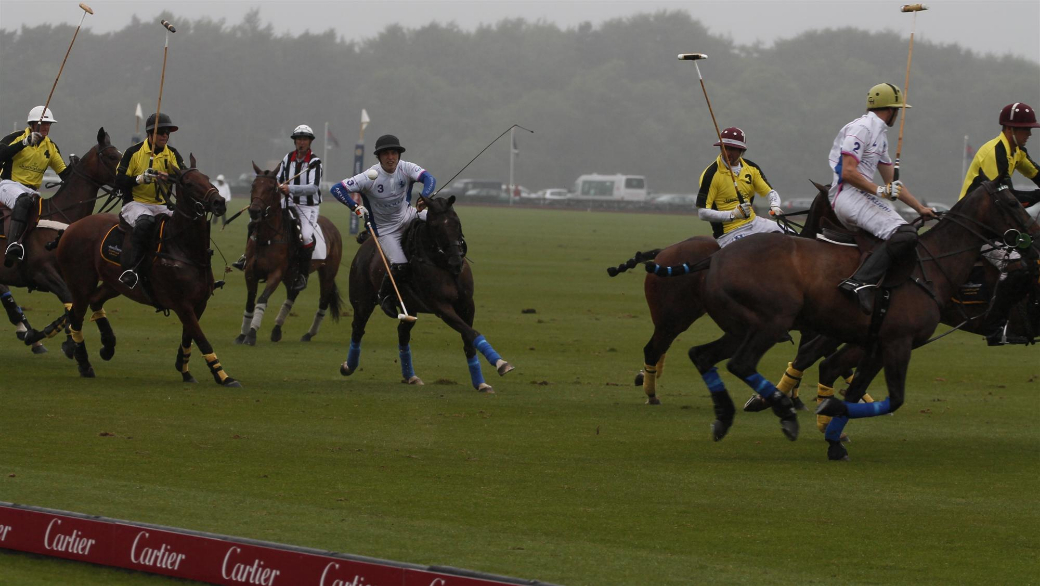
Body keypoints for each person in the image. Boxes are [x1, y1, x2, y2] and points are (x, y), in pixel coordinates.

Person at [829, 83, 936, 314]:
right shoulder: (862, 128)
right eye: (898, 110)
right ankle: (859, 283)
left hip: (862, 195)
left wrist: (919, 208)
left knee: (907, 231)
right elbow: (848, 172)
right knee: (904, 234)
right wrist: (879, 191)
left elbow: (892, 183)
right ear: (891, 110)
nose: (898, 114)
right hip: (847, 195)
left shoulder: (880, 135)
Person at [958, 102, 1040, 345]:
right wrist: (1036, 196)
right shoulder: (996, 152)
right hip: (973, 227)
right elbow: (1006, 200)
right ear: (1010, 128)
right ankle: (995, 329)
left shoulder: (1016, 150)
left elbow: (1037, 174)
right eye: (1026, 129)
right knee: (1017, 266)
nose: (1030, 134)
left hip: (993, 223)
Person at [329, 134, 436, 318]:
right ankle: (385, 296)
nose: (390, 157)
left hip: (408, 215)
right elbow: (336, 189)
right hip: (386, 230)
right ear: (379, 157)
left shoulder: (406, 167)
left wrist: (424, 197)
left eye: (394, 153)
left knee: (441, 221)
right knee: (400, 264)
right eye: (385, 154)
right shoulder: (369, 176)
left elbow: (429, 179)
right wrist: (355, 207)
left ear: (398, 155)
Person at [114, 112, 185, 289]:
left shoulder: (173, 154)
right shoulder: (133, 152)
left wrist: (168, 177)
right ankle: (133, 270)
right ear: (149, 134)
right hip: (135, 203)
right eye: (161, 132)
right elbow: (118, 181)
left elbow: (185, 179)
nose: (165, 136)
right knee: (146, 223)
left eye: (167, 132)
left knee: (187, 223)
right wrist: (139, 179)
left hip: (162, 205)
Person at [695, 126, 789, 248]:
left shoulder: (751, 168)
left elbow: (770, 193)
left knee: (796, 237)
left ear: (742, 151)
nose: (728, 153)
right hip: (729, 233)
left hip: (755, 223)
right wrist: (732, 214)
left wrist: (775, 206)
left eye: (733, 149)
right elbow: (702, 213)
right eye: (725, 148)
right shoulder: (711, 174)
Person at [0, 106, 70, 266]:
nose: (46, 127)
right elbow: (1, 154)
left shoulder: (50, 147)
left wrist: (77, 167)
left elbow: (65, 174)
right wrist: (25, 143)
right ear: (32, 124)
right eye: (43, 123)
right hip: (8, 185)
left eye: (49, 124)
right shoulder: (16, 137)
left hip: (32, 191)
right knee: (23, 201)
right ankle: (12, 245)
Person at [280, 125, 323, 291]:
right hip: (287, 202)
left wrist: (290, 189)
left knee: (305, 236)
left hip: (307, 206)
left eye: (304, 139)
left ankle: (303, 274)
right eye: (298, 139)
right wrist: (275, 184)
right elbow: (278, 177)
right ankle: (247, 258)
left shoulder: (314, 162)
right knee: (263, 218)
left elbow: (313, 187)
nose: (301, 142)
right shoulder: (288, 158)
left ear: (310, 142)